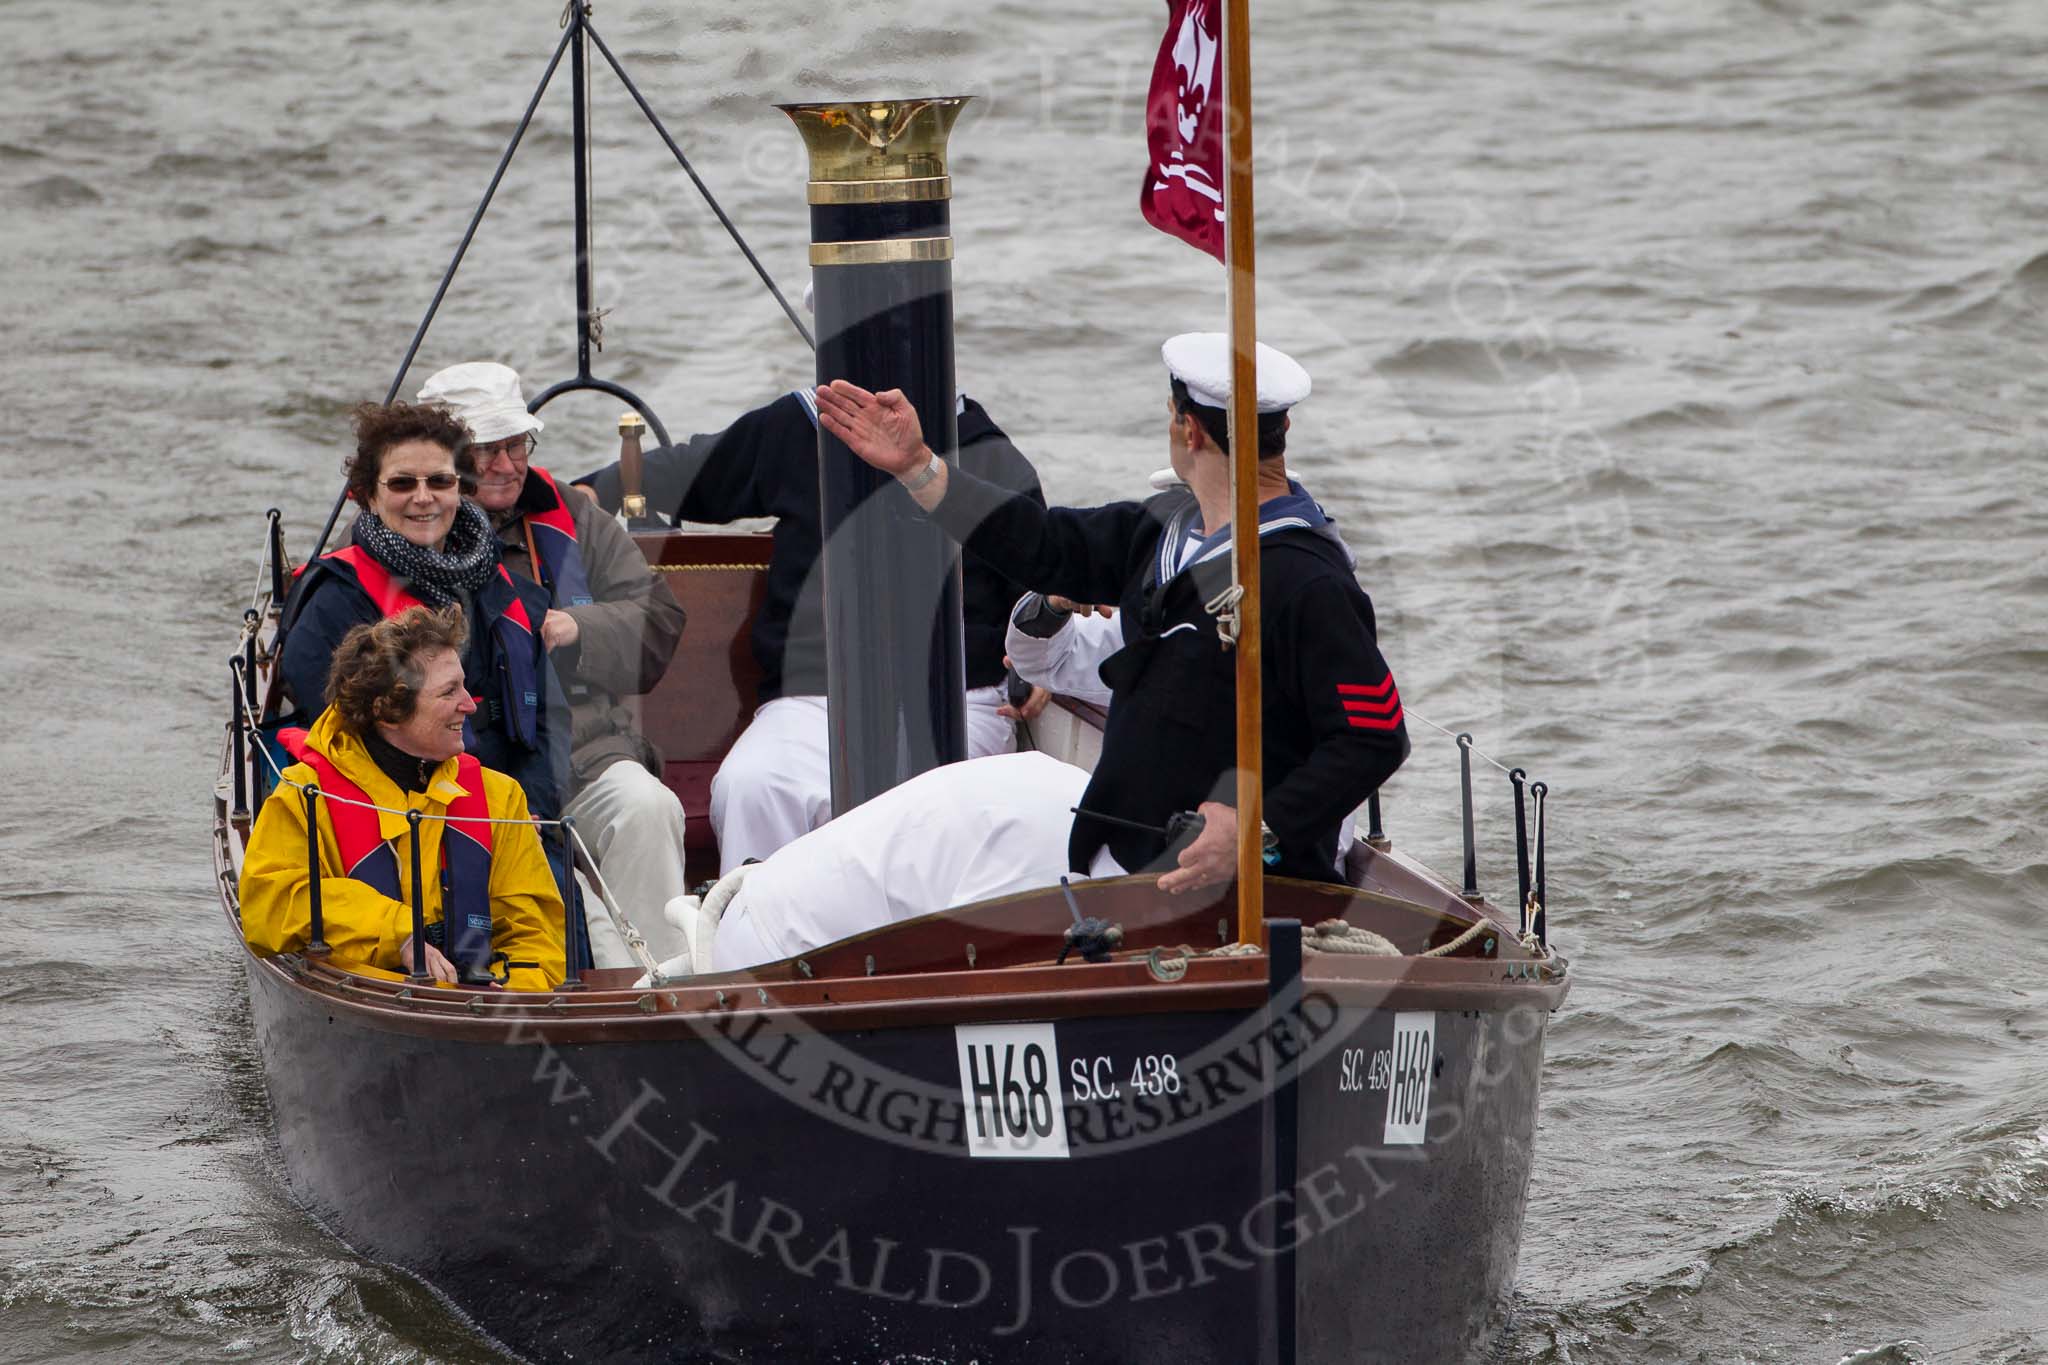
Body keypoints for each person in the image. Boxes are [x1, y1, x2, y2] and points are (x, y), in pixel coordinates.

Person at [815, 332, 1410, 891]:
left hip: (1240, 893)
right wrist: (918, 465)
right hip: (1122, 857)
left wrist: (1258, 831)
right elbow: (1041, 544)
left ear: (1189, 429)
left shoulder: (1309, 578)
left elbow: (1375, 738)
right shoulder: (1161, 529)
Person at [576, 383, 1047, 873]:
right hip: (810, 698)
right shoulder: (801, 426)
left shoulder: (987, 451)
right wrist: (598, 489)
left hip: (957, 699)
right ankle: (757, 942)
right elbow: (693, 472)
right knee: (752, 785)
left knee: (931, 803)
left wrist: (1040, 664)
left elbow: (1039, 577)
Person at [416, 362, 689, 961]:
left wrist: (579, 626)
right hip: (463, 774)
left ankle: (668, 984)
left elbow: (659, 618)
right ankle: (596, 988)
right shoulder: (407, 529)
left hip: (584, 755)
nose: (508, 465)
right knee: (563, 903)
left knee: (648, 808)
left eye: (516, 444)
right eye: (486, 449)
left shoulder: (573, 517)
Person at [241, 607, 565, 991]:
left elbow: (537, 938)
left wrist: (512, 996)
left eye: (463, 685)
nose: (471, 704)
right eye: (449, 692)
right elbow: (268, 907)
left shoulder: (501, 797)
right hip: (363, 1006)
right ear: (388, 711)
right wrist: (400, 933)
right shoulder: (306, 797)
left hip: (482, 1019)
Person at [277, 401, 565, 823]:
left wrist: (529, 811)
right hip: (402, 818)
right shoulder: (333, 605)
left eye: (440, 480)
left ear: (462, 488)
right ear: (369, 496)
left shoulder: (502, 589)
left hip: (516, 810)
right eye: (401, 484)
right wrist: (463, 816)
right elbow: (344, 739)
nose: (423, 496)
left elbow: (547, 724)